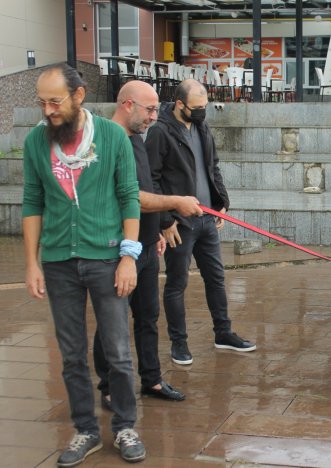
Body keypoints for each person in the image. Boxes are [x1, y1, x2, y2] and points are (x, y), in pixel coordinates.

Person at [22, 63, 146, 465]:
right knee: (71, 353)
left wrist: (129, 256)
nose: (48, 110)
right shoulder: (36, 142)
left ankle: (126, 425)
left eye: (55, 102)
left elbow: (129, 196)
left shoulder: (111, 136)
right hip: (58, 261)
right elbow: (32, 202)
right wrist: (32, 263)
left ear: (78, 96)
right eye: (42, 102)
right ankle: (85, 430)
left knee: (118, 350)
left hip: (107, 258)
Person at [93, 80, 206, 410]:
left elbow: (146, 184)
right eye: (151, 109)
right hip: (116, 248)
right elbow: (131, 197)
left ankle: (151, 378)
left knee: (147, 315)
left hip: (144, 244)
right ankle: (109, 385)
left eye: (157, 109)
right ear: (128, 105)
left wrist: (156, 229)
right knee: (112, 320)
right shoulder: (107, 143)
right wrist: (176, 202)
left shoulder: (138, 138)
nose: (155, 116)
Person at [145, 79, 256, 366]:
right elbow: (151, 180)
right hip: (179, 224)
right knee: (176, 283)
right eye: (196, 108)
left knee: (216, 278)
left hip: (207, 219)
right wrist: (165, 221)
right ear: (180, 105)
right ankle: (179, 343)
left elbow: (212, 166)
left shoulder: (202, 126)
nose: (201, 113)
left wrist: (221, 204)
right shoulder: (160, 132)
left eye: (204, 108)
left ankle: (223, 332)